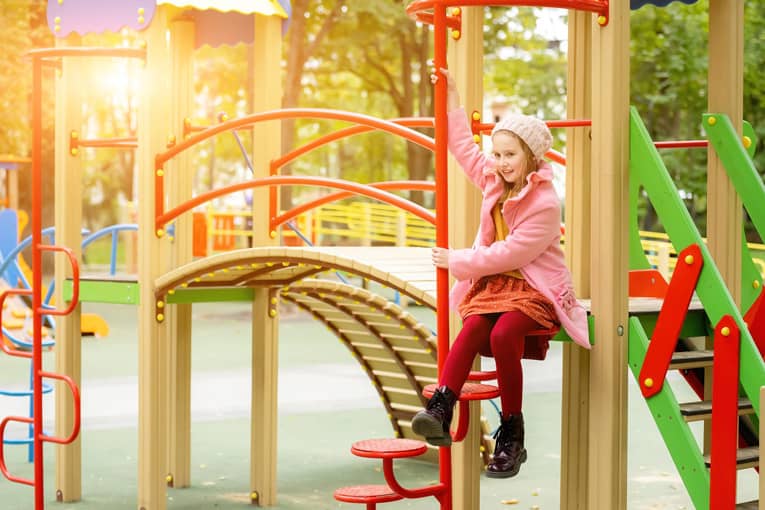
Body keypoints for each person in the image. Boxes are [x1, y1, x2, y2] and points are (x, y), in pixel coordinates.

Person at [411, 68, 590, 479]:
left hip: (535, 287)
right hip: (497, 286)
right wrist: (452, 95)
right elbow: (460, 147)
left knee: (504, 333)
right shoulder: (493, 179)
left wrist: (457, 260)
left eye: (510, 155)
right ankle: (440, 407)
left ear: (531, 157)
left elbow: (510, 254)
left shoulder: (545, 204)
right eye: (497, 153)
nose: (501, 162)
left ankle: (512, 434)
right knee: (474, 327)